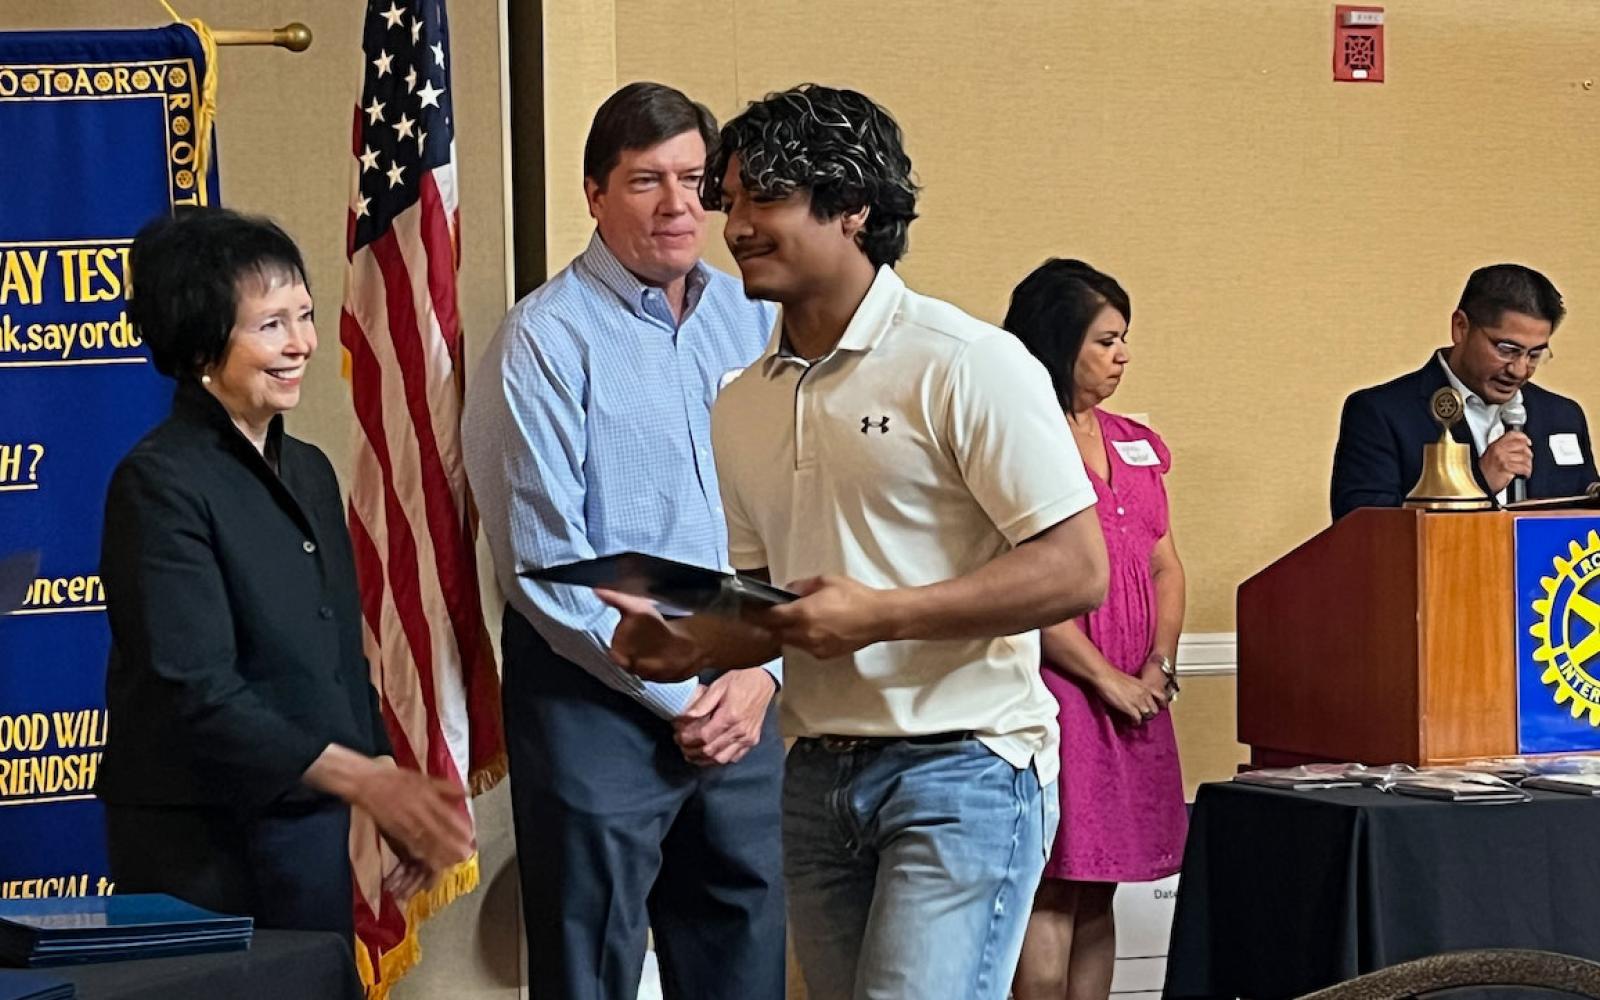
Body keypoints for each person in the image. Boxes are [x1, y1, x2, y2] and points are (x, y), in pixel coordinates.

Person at [601, 84, 1110, 1000]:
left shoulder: (967, 361)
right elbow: (768, 611)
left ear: (853, 208)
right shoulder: (741, 399)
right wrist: (683, 640)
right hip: (817, 775)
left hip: (965, 768)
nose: (737, 226)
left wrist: (882, 615)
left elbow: (1079, 568)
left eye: (767, 200)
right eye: (735, 202)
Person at [460, 82, 785, 1000]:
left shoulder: (757, 320)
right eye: (647, 181)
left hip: (743, 697)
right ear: (594, 192)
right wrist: (687, 691)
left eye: (693, 179)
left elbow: (800, 509)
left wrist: (761, 678)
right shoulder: (545, 339)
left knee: (743, 964)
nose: (678, 204)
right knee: (591, 969)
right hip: (596, 700)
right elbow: (546, 563)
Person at [98, 207, 473, 940]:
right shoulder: (159, 483)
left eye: (303, 315)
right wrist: (364, 780)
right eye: (271, 325)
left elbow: (335, 660)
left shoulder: (310, 471)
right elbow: (192, 688)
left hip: (305, 833)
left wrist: (384, 785)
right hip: (199, 849)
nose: (302, 343)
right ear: (202, 341)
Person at [1001, 259, 1188, 1000]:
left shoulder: (1135, 443)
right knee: (1054, 884)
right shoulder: (1018, 437)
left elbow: (1166, 566)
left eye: (1125, 339)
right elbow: (1019, 581)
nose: (1123, 355)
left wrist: (1157, 665)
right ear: (1058, 341)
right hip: (1061, 689)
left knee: (1103, 883)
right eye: (1107, 340)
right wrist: (1101, 677)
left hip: (1138, 693)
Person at [1331, 263, 1596, 519]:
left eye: (1535, 354)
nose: (1519, 369)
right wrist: (1477, 485)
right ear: (1461, 327)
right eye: (1506, 350)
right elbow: (1365, 536)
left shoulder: (1563, 415)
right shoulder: (1381, 413)